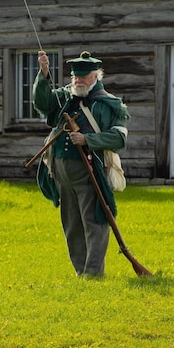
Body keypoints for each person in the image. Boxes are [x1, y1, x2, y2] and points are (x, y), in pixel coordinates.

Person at [32, 50, 130, 278]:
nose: (77, 81)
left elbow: (120, 138)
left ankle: (93, 273)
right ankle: (80, 271)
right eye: (75, 77)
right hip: (61, 173)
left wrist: (88, 139)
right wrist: (43, 73)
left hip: (90, 171)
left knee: (94, 221)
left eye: (83, 77)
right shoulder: (65, 98)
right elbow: (43, 103)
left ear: (95, 77)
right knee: (72, 224)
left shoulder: (109, 104)